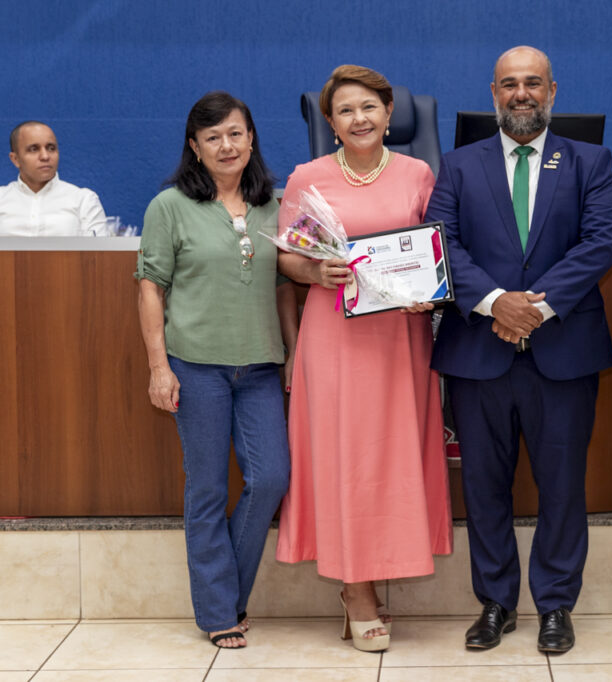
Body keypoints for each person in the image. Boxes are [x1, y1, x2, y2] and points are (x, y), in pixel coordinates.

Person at [427, 46, 612, 655]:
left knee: (562, 484)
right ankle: (496, 603)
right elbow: (443, 244)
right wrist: (493, 303)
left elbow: (599, 243)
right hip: (478, 352)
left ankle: (557, 605)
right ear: (493, 93)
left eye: (532, 83)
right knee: (484, 485)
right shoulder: (456, 166)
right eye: (509, 84)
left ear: (553, 91)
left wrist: (531, 307)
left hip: (562, 351)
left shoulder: (590, 161)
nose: (521, 94)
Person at [273, 64, 453, 653]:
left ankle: (380, 566)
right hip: (335, 341)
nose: (359, 119)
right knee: (345, 459)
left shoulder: (418, 172)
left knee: (394, 457)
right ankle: (355, 590)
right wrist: (313, 270)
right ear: (330, 122)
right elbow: (289, 260)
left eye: (370, 108)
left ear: (390, 114)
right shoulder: (308, 177)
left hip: (402, 339)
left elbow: (441, 247)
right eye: (346, 111)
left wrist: (430, 290)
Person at [136, 91, 292, 649]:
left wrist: (292, 354)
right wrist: (159, 367)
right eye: (213, 137)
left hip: (259, 369)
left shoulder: (276, 203)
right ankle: (219, 612)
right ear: (195, 148)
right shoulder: (169, 206)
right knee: (205, 489)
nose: (227, 146)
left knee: (271, 478)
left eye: (236, 133)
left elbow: (282, 291)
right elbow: (151, 288)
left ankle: (226, 594)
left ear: (252, 138)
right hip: (195, 367)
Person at [0, 121, 109, 236]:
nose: (45, 156)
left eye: (51, 148)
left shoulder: (84, 200)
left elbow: (99, 253)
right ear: (15, 159)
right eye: (33, 149)